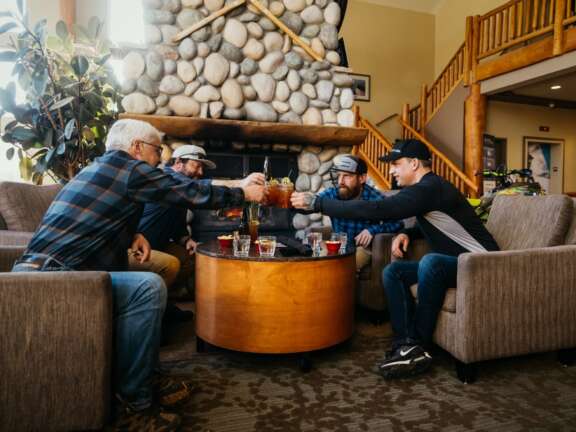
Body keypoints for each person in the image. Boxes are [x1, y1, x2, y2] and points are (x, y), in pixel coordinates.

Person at [12, 119, 265, 430]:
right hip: (55, 281)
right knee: (148, 287)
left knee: (157, 270)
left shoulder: (99, 169)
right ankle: (136, 403)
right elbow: (186, 191)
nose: (159, 158)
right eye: (157, 150)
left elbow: (96, 215)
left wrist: (131, 234)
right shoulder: (129, 168)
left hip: (44, 272)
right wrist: (241, 192)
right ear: (136, 148)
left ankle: (142, 370)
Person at [291, 139, 499, 379]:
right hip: (456, 263)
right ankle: (405, 343)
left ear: (413, 164)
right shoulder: (426, 191)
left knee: (431, 262)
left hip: (482, 263)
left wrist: (319, 203)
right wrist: (406, 233)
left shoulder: (430, 188)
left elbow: (380, 210)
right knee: (393, 271)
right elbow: (439, 224)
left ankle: (418, 347)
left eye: (396, 164)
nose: (391, 170)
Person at [135, 144, 264, 297]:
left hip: (159, 244)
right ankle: (156, 300)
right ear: (178, 163)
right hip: (139, 246)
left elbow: (176, 219)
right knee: (172, 264)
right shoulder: (167, 176)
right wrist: (241, 184)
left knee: (192, 259)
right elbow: (198, 187)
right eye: (196, 166)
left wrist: (184, 239)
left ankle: (165, 299)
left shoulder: (180, 191)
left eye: (202, 168)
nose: (201, 172)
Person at [317, 154, 403, 271]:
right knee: (318, 263)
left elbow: (398, 222)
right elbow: (315, 201)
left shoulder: (375, 198)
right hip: (338, 246)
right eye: (339, 175)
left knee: (340, 269)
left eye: (347, 176)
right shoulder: (334, 193)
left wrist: (372, 230)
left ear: (362, 178)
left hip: (362, 249)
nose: (340, 181)